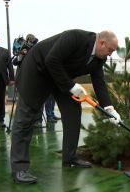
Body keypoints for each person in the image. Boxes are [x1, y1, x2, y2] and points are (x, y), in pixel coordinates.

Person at [10, 29, 122, 184]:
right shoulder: (75, 37)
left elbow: (98, 81)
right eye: (110, 50)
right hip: (37, 72)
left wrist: (110, 108)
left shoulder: (99, 57)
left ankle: (70, 158)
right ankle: (19, 169)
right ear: (102, 43)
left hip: (60, 77)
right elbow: (52, 60)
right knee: (25, 119)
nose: (110, 54)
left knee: (73, 112)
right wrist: (71, 85)